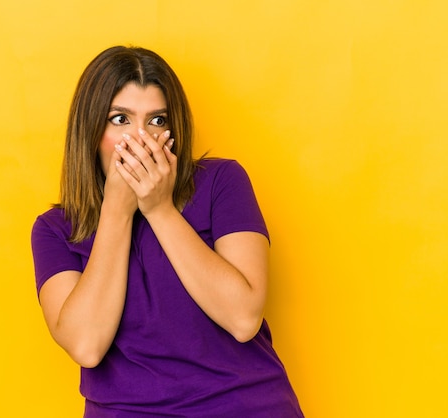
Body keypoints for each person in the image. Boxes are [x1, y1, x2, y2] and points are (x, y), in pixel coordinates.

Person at [31, 45, 304, 418]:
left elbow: (243, 319)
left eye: (156, 121)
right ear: (91, 130)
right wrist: (117, 211)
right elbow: (86, 344)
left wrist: (159, 209)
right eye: (120, 120)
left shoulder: (222, 183)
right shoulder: (55, 230)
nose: (140, 138)